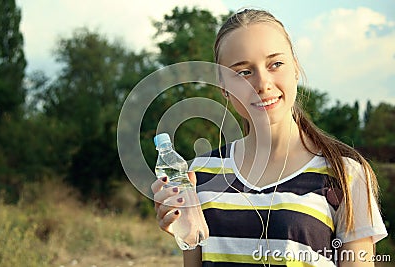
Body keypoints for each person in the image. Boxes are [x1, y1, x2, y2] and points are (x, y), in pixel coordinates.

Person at [151, 9, 387, 267]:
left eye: (275, 64)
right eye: (243, 72)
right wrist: (181, 228)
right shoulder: (201, 173)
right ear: (223, 88)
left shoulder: (346, 175)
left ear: (296, 68)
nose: (263, 83)